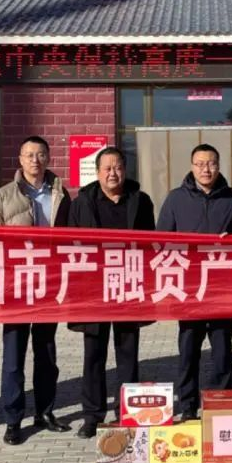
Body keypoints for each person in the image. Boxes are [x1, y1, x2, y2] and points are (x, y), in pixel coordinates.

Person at [0, 135, 72, 445]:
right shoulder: (2, 197)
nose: (35, 160)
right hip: (16, 286)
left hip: (49, 284)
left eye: (41, 154)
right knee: (13, 357)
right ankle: (13, 419)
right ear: (20, 159)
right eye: (29, 155)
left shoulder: (61, 194)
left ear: (49, 158)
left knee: (46, 353)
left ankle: (45, 412)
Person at [158, 143, 232, 421]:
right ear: (191, 167)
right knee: (188, 350)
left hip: (221, 288)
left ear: (218, 166)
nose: (206, 169)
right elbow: (162, 239)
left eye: (211, 163)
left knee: (222, 349)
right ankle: (188, 406)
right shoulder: (176, 199)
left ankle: (221, 402)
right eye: (200, 164)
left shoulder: (231, 198)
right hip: (188, 288)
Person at [68, 147, 156, 438]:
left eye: (117, 167)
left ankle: (126, 411)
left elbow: (152, 243)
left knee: (128, 353)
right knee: (93, 354)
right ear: (97, 172)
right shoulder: (82, 203)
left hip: (128, 286)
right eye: (107, 168)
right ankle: (92, 416)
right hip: (93, 290)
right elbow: (69, 245)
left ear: (125, 170)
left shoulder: (140, 201)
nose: (113, 173)